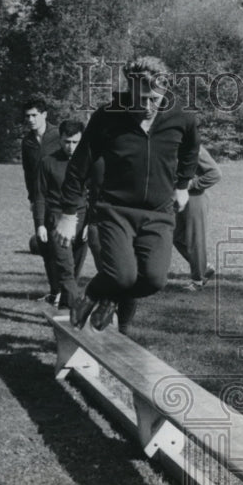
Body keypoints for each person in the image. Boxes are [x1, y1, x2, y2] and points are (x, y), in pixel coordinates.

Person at [53, 56, 199, 336]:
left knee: (154, 280)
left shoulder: (181, 117)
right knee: (122, 275)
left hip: (158, 213)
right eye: (140, 98)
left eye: (154, 99)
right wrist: (68, 214)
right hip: (115, 210)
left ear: (165, 90)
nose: (146, 106)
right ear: (128, 88)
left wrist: (182, 185)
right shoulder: (107, 117)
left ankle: (108, 297)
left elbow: (191, 149)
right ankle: (95, 293)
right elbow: (78, 166)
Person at [32, 119, 91, 309]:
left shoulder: (90, 163)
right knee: (65, 269)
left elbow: (96, 195)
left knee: (74, 271)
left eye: (76, 142)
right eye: (67, 142)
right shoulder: (47, 163)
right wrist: (40, 223)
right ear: (60, 140)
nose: (71, 147)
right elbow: (39, 196)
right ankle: (78, 309)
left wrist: (91, 223)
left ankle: (66, 310)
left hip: (82, 220)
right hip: (56, 219)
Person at [21, 97, 61, 303]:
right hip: (39, 200)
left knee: (60, 245)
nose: (30, 119)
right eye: (27, 116)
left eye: (34, 115)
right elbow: (28, 173)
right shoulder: (27, 142)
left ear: (45, 115)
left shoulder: (59, 136)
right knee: (45, 246)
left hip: (59, 199)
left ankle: (66, 291)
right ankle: (55, 291)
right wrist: (31, 198)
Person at [174, 145, 221, 290]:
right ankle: (204, 267)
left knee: (194, 238)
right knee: (173, 235)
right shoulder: (169, 141)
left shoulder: (193, 147)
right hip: (177, 197)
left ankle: (198, 280)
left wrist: (191, 184)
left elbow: (215, 173)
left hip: (195, 198)